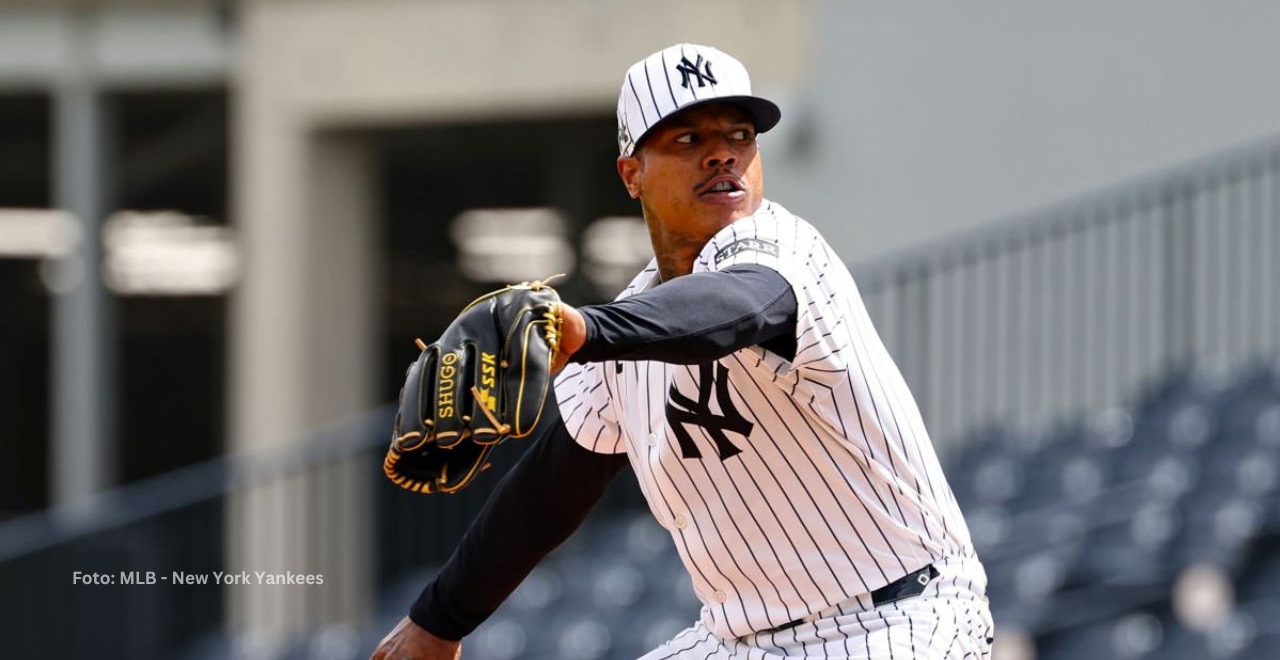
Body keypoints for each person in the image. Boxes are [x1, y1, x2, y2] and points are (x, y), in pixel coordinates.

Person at [372, 43, 993, 660]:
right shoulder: (632, 320)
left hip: (902, 619)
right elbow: (557, 482)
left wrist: (581, 331)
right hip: (739, 640)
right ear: (631, 173)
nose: (722, 152)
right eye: (687, 139)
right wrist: (439, 620)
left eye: (739, 134)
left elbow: (738, 308)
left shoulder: (784, 249)